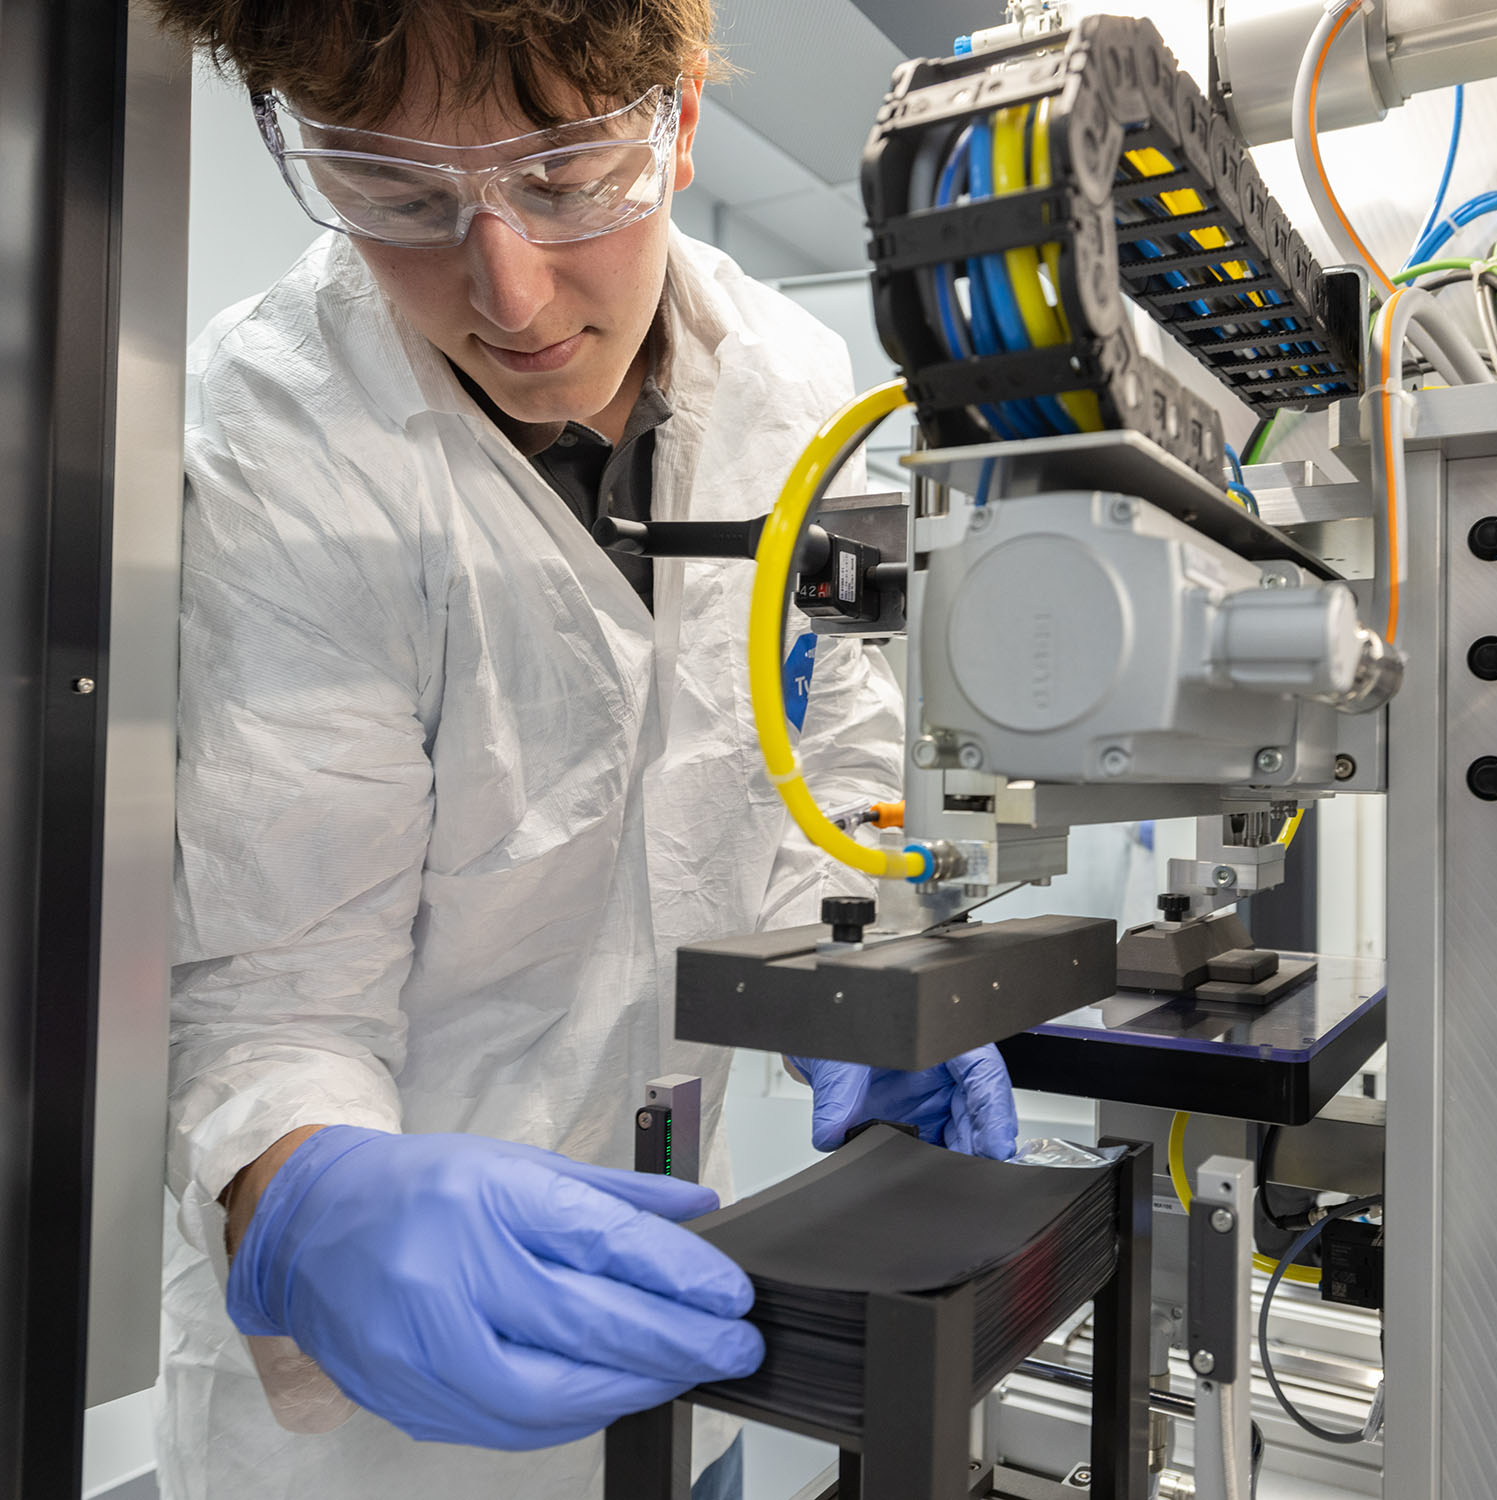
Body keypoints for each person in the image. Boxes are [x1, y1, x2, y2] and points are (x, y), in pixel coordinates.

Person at [148, 3, 1018, 1496]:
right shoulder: (278, 424)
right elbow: (268, 981)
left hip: (696, 1305)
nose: (508, 288)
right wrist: (304, 1201)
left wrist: (863, 988)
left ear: (677, 116)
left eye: (562, 182)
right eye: (399, 199)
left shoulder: (799, 389)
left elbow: (831, 782)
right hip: (382, 1412)